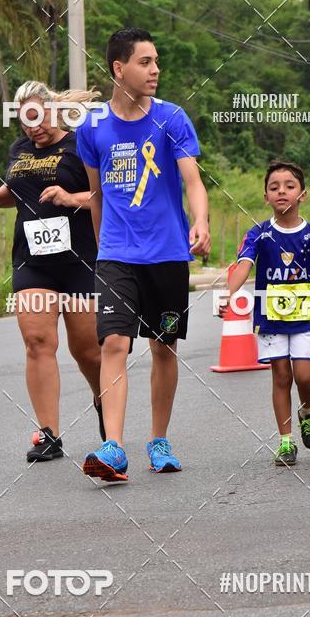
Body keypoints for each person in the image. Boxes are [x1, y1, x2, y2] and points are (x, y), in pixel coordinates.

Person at [75, 27, 210, 482]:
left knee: (164, 345)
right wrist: (100, 248)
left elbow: (192, 179)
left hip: (168, 255)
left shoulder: (172, 119)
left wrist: (201, 221)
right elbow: (95, 194)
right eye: (145, 62)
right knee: (113, 341)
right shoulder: (91, 127)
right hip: (116, 255)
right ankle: (112, 446)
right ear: (119, 68)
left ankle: (159, 439)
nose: (155, 70)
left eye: (156, 62)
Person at [0, 80, 105, 462]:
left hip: (80, 261)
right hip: (33, 262)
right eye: (25, 120)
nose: (34, 127)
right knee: (37, 342)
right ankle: (49, 434)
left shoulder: (81, 144)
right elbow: (17, 190)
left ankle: (106, 408)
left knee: (87, 351)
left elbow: (105, 195)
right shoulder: (19, 150)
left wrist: (70, 198)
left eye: (38, 116)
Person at [223, 159, 310, 467]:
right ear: (265, 196)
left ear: (303, 194)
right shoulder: (258, 234)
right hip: (270, 319)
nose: (281, 191)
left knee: (304, 376)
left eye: (289, 186)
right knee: (281, 376)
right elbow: (243, 266)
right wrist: (228, 293)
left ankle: (307, 412)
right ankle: (285, 441)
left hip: (305, 317)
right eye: (274, 187)